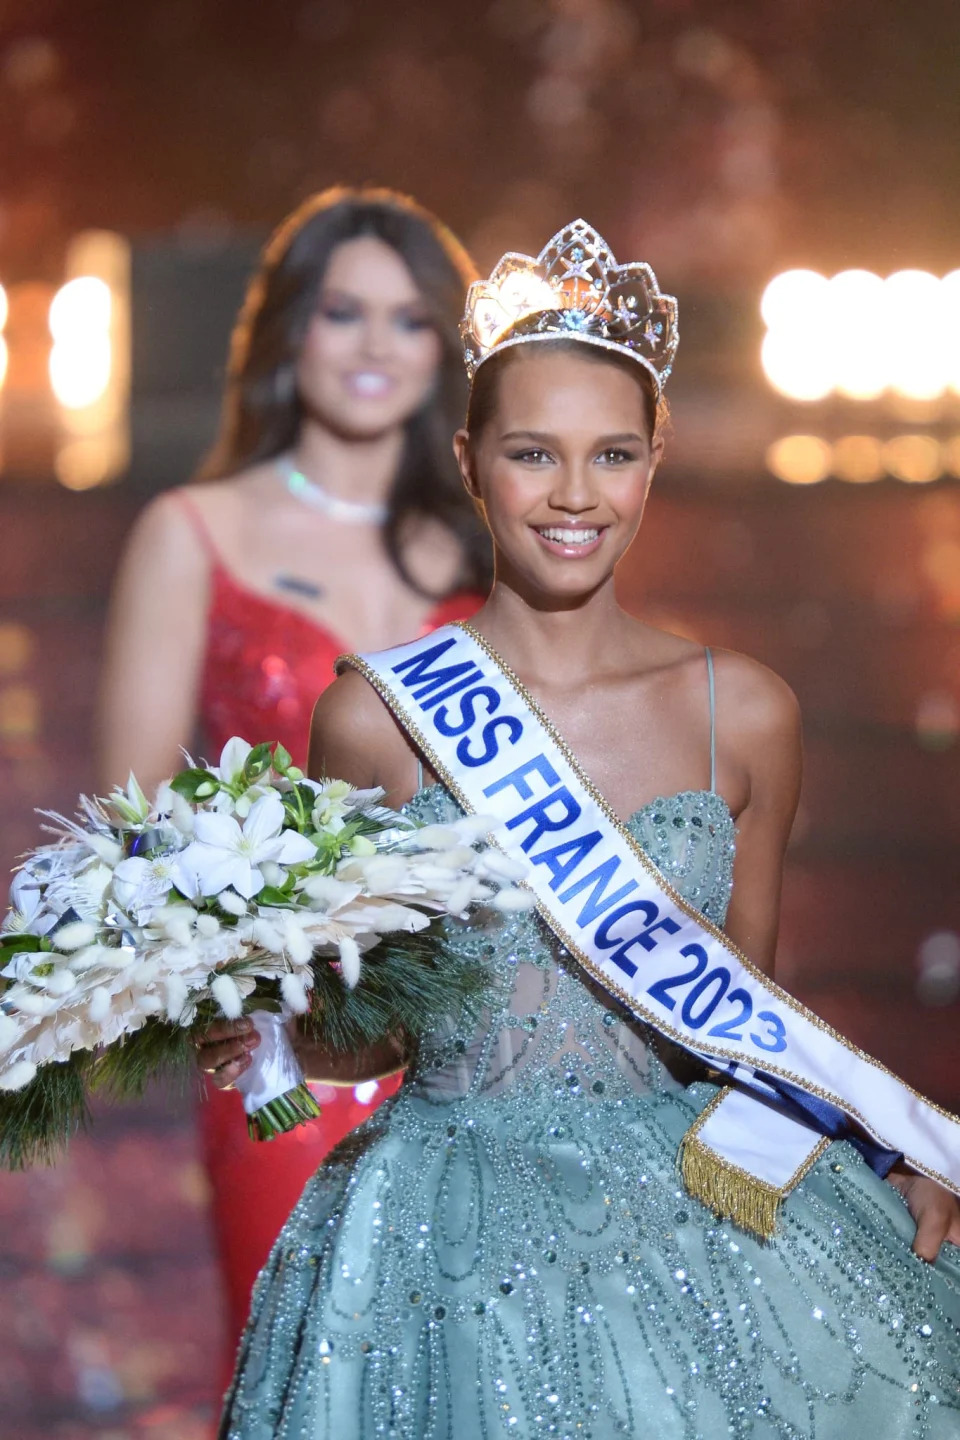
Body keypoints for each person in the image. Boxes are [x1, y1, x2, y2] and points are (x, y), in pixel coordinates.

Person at [211, 223, 960, 1437]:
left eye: (612, 454)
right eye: (531, 454)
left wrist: (882, 1153)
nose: (574, 496)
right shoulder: (377, 718)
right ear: (468, 463)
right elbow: (364, 1040)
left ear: (654, 462)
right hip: (438, 1238)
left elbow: (746, 1023)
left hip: (694, 1222)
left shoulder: (747, 712)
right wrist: (263, 1020)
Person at [97, 188, 490, 1360]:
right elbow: (131, 829)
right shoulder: (191, 531)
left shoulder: (493, 545)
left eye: (411, 320)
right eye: (342, 313)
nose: (376, 346)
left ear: (447, 350)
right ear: (287, 333)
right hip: (282, 1053)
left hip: (485, 1051)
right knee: (306, 1367)